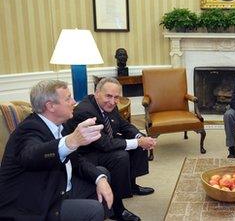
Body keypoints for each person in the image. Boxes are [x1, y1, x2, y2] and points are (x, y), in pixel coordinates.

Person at [0, 80, 113, 221]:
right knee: (93, 210)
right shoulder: (29, 129)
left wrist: (99, 179)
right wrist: (71, 141)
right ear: (50, 106)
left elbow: (77, 160)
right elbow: (32, 154)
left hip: (57, 184)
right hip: (35, 202)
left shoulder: (60, 125)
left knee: (102, 174)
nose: (74, 101)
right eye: (68, 98)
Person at [65, 77, 156, 221]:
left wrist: (139, 137)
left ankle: (131, 185)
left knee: (138, 141)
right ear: (97, 93)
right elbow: (104, 144)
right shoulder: (85, 112)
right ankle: (117, 209)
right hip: (86, 153)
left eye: (116, 97)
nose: (113, 101)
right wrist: (138, 142)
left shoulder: (109, 105)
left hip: (102, 144)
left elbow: (124, 125)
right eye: (108, 96)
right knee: (120, 156)